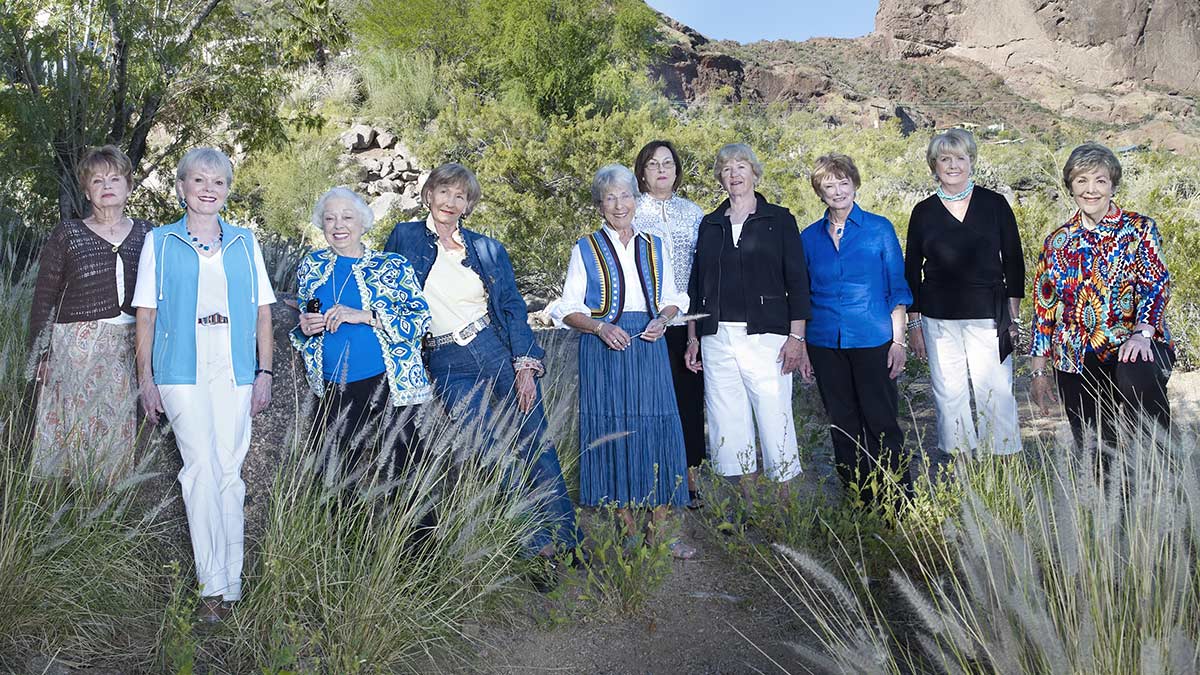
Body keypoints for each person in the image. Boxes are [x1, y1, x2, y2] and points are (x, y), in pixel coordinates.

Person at [383, 162, 581, 570]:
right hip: (445, 360)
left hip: (494, 349)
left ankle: (568, 538)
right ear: (429, 194)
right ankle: (537, 546)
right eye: (444, 192)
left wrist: (526, 364)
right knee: (490, 452)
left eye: (460, 196)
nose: (450, 202)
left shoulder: (487, 249)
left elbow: (511, 308)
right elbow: (384, 290)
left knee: (535, 445)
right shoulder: (404, 237)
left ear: (469, 204)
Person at [133, 147, 275, 623]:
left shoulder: (244, 242)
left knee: (230, 471)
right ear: (182, 187)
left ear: (228, 190)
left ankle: (232, 585)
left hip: (234, 365)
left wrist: (265, 372)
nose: (208, 189)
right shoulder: (160, 241)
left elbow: (262, 313)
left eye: (218, 182)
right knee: (199, 469)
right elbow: (146, 316)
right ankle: (211, 588)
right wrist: (146, 379)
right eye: (199, 180)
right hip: (180, 367)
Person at [551, 164, 695, 559]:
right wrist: (598, 328)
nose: (619, 205)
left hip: (648, 345)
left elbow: (671, 297)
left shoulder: (654, 245)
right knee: (616, 433)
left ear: (636, 199)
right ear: (600, 205)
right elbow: (566, 309)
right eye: (610, 198)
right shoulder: (585, 248)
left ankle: (661, 532)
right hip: (604, 347)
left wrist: (663, 319)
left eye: (625, 196)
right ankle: (629, 532)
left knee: (658, 430)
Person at [1030, 142, 1174, 449]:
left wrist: (1142, 333)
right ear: (1070, 186)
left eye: (1100, 180)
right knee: (1095, 448)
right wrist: (1039, 372)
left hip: (1133, 345)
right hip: (1076, 357)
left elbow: (1156, 284)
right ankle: (1109, 497)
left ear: (1112, 185)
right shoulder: (1057, 242)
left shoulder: (1139, 229)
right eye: (1082, 180)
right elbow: (1045, 309)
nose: (1091, 190)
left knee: (1146, 428)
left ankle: (1166, 481)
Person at [685, 143, 809, 487]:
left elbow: (797, 281)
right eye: (726, 169)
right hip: (717, 337)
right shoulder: (710, 224)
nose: (734, 174)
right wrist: (694, 337)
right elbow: (697, 285)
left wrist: (796, 337)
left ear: (755, 172)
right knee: (728, 420)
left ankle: (785, 510)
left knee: (774, 417)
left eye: (741, 167)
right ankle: (750, 509)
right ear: (720, 179)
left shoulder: (779, 219)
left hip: (767, 336)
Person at [28, 145, 153, 481]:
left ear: (129, 186)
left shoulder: (149, 234)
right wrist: (42, 354)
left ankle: (102, 502)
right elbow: (44, 299)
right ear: (86, 190)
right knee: (73, 423)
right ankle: (62, 500)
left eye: (115, 178)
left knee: (116, 427)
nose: (107, 185)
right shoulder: (67, 234)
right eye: (97, 180)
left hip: (129, 344)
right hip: (75, 347)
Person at [292, 188, 431, 484]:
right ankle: (345, 532)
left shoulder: (391, 265)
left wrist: (364, 316)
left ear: (363, 222)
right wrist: (305, 327)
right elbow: (306, 319)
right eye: (330, 218)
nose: (338, 225)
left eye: (346, 217)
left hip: (385, 381)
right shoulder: (311, 266)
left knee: (405, 470)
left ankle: (423, 533)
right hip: (332, 387)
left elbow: (420, 319)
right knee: (332, 477)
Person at [797, 154, 913, 504]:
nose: (837, 190)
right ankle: (858, 501)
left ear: (854, 183)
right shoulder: (808, 238)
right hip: (824, 344)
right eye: (828, 185)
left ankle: (898, 500)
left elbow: (897, 289)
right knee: (842, 425)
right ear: (820, 192)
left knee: (881, 422)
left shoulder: (879, 229)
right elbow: (802, 295)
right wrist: (801, 347)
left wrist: (898, 342)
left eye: (843, 182)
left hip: (873, 341)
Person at [904, 128, 1025, 457]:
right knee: (949, 392)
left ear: (972, 161)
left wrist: (1013, 317)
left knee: (996, 390)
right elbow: (911, 270)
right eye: (945, 159)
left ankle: (1000, 463)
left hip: (989, 313)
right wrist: (914, 325)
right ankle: (962, 466)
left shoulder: (995, 205)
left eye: (960, 158)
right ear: (934, 165)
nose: (953, 165)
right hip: (938, 318)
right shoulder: (923, 212)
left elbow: (1014, 260)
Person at [631, 140, 706, 508]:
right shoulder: (630, 210)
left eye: (667, 163)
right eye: (652, 164)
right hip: (644, 322)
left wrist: (693, 334)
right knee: (648, 404)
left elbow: (698, 278)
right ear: (642, 173)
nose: (661, 169)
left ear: (677, 170)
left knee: (687, 402)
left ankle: (690, 477)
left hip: (684, 324)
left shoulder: (694, 214)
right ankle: (652, 477)